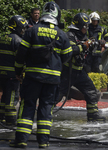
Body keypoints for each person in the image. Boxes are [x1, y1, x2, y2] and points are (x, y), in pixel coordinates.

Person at [9, 2, 72, 148]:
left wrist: (18, 71)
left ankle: (22, 140)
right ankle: (43, 142)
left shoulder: (32, 31)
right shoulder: (61, 34)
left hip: (33, 78)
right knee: (46, 108)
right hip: (52, 80)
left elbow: (21, 54)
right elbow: (68, 55)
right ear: (57, 15)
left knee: (28, 106)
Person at [57, 13, 106, 122]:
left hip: (79, 72)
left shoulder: (83, 36)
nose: (87, 28)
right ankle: (45, 113)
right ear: (79, 26)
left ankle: (93, 116)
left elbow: (87, 49)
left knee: (91, 91)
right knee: (57, 95)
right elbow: (71, 50)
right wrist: (84, 46)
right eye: (85, 26)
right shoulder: (69, 35)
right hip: (67, 72)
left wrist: (97, 44)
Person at [0, 15, 27, 126]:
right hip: (12, 75)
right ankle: (11, 121)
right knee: (11, 98)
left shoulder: (3, 37)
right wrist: (21, 73)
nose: (23, 31)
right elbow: (20, 59)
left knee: (4, 98)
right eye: (23, 28)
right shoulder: (18, 41)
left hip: (2, 75)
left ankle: (1, 118)